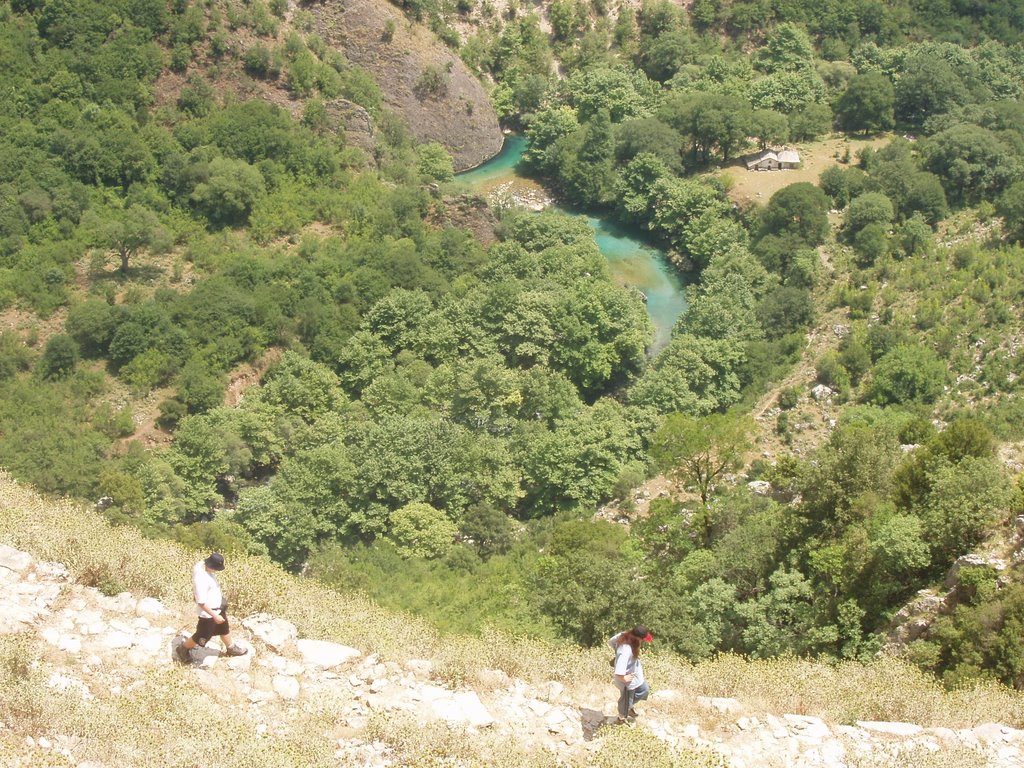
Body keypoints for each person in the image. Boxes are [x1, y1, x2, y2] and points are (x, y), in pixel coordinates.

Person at [175, 552, 247, 663]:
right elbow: (201, 602)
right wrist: (214, 616)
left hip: (218, 608)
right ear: (211, 566)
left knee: (224, 628)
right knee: (202, 635)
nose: (217, 570)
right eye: (217, 568)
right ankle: (183, 648)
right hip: (209, 613)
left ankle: (231, 647)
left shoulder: (201, 565)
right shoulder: (201, 579)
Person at [608, 624, 652, 724]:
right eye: (643, 639)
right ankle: (621, 718)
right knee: (627, 700)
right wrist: (623, 678)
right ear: (638, 638)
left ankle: (629, 706)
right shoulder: (625, 650)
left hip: (635, 674)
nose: (642, 642)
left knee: (644, 690)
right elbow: (619, 671)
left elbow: (611, 641)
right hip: (628, 680)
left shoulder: (625, 635)